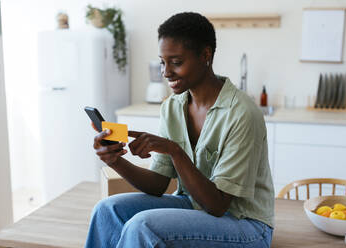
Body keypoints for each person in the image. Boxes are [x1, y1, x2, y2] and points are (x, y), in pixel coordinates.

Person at [85, 12, 274, 248]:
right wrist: (115, 160)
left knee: (143, 226)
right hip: (193, 206)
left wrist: (175, 151)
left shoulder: (242, 114)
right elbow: (158, 184)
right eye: (163, 62)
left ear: (205, 55)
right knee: (107, 210)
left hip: (246, 225)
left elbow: (217, 205)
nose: (165, 72)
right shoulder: (173, 107)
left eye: (176, 62)